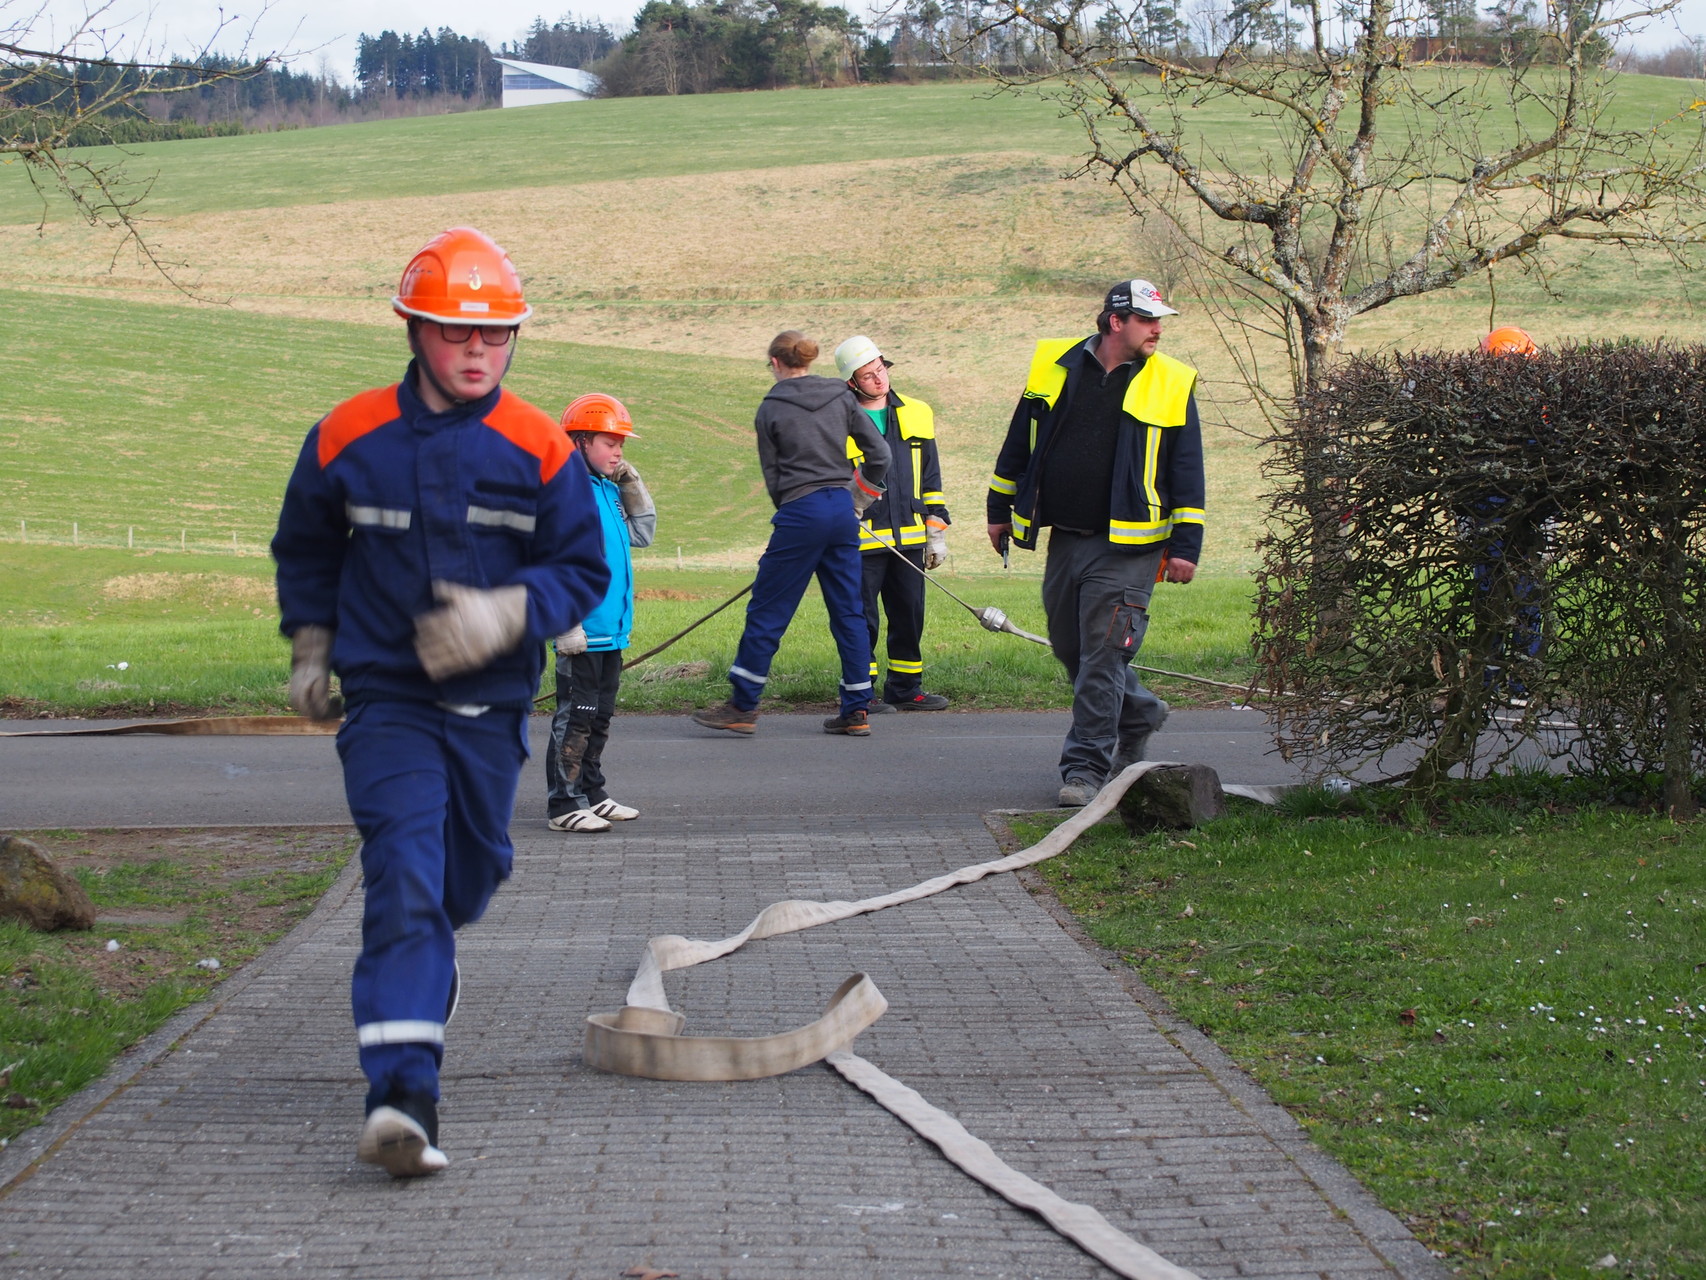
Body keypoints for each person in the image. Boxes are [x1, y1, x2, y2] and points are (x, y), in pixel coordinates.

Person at [272, 227, 609, 1178]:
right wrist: (312, 638)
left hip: (492, 707)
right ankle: (403, 1094)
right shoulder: (346, 435)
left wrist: (509, 612)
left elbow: (579, 569)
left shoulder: (539, 444)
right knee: (404, 879)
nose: (477, 353)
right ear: (412, 330)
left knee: (469, 875)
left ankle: (433, 962)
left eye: (496, 337)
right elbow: (307, 545)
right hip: (387, 700)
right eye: (457, 335)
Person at [986, 279, 1205, 808]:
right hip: (1067, 537)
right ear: (1115, 322)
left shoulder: (1172, 380)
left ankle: (1085, 769)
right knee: (1070, 648)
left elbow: (1187, 466)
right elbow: (1020, 439)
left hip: (1133, 547)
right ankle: (1139, 711)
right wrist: (999, 511)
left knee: (1102, 658)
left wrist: (1186, 545)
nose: (1158, 330)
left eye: (1160, 322)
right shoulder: (1055, 367)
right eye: (1148, 320)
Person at [691, 330, 890, 737]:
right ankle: (856, 709)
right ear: (809, 361)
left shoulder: (771, 408)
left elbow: (774, 478)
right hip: (840, 508)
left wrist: (794, 517)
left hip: (802, 511)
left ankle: (743, 705)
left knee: (768, 611)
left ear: (776, 363)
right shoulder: (841, 397)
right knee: (849, 611)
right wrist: (859, 494)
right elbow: (881, 455)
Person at [545, 394, 657, 832]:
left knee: (599, 717)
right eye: (610, 443)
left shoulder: (607, 491)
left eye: (622, 445)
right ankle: (563, 804)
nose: (618, 452)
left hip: (611, 630)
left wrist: (632, 485)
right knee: (575, 718)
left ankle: (592, 792)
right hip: (582, 630)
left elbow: (642, 535)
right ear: (580, 441)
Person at [834, 335, 952, 714]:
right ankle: (862, 691)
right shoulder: (838, 421)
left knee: (909, 615)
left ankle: (904, 688)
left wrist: (936, 531)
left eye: (881, 370)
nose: (879, 380)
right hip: (861, 540)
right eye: (868, 376)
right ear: (852, 382)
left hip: (911, 539)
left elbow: (930, 479)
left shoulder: (918, 412)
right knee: (861, 620)